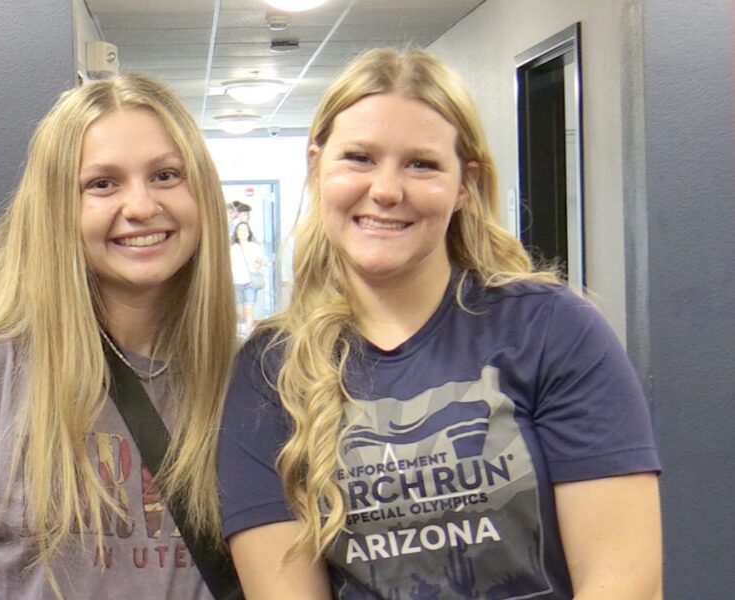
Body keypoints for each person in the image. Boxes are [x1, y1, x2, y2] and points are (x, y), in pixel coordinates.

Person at [217, 48, 662, 600]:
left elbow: (623, 582)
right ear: (316, 166)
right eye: (359, 157)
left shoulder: (553, 330)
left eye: (421, 164)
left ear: (464, 184)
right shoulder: (270, 368)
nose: (385, 190)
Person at [0, 73, 236, 599]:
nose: (141, 206)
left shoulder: (242, 383)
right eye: (102, 184)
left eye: (166, 175)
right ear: (58, 208)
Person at [230, 221, 264, 335]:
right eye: (241, 230)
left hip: (250, 281)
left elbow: (259, 262)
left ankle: (248, 333)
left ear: (249, 232)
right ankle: (239, 330)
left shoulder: (254, 246)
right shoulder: (233, 248)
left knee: (249, 307)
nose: (243, 232)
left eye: (245, 230)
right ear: (236, 233)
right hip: (236, 282)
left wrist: (258, 263)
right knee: (239, 311)